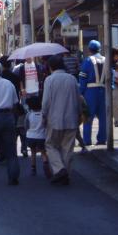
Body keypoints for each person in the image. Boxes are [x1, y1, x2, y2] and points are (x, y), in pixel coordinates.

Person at [43, 55, 82, 185]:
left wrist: (44, 116)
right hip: (71, 118)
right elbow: (78, 99)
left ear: (50, 67)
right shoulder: (72, 79)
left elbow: (46, 102)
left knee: (50, 145)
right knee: (67, 148)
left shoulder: (49, 80)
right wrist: (79, 115)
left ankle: (60, 170)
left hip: (54, 119)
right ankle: (65, 173)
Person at [79, 40, 106, 146]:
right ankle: (102, 139)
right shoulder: (105, 60)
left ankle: (87, 140)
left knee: (88, 117)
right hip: (103, 91)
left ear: (89, 50)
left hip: (90, 92)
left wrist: (81, 92)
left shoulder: (88, 61)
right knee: (103, 117)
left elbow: (83, 77)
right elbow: (111, 76)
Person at [25, 96, 51, 177]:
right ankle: (45, 163)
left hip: (31, 136)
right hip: (41, 136)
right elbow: (46, 124)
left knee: (33, 152)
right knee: (43, 152)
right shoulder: (43, 114)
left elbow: (26, 125)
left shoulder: (29, 114)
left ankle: (33, 168)